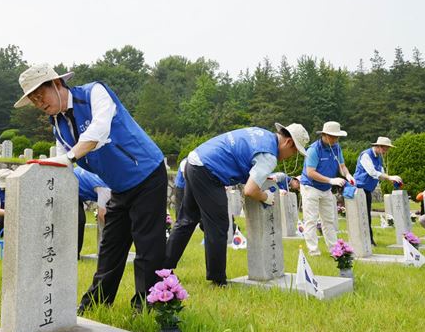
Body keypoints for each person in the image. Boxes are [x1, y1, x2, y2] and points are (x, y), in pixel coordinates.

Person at [13, 64, 167, 313]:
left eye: (41, 95)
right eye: (33, 100)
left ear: (57, 84)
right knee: (110, 248)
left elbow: (99, 130)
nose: (39, 103)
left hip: (146, 174)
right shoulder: (58, 125)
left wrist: (70, 157)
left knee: (148, 247)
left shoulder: (94, 92)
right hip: (117, 186)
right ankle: (95, 304)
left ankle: (150, 308)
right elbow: (62, 164)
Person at [165, 123, 309, 286]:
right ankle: (217, 280)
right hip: (209, 171)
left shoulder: (262, 134)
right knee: (218, 225)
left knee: (186, 221)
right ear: (288, 143)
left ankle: (163, 271)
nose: (291, 155)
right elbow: (250, 190)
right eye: (294, 151)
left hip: (195, 161)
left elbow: (241, 158)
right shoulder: (269, 156)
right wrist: (265, 197)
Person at [299, 121, 354, 256]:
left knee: (329, 220)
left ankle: (334, 250)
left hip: (326, 189)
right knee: (311, 219)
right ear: (324, 135)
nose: (335, 139)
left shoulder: (337, 147)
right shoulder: (314, 149)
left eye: (337, 137)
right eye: (332, 136)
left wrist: (347, 175)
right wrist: (331, 180)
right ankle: (313, 251)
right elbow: (311, 172)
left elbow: (342, 165)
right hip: (310, 187)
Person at [354, 136, 402, 246]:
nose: (386, 151)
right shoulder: (366, 155)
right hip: (359, 188)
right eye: (385, 148)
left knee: (367, 215)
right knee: (363, 215)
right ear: (378, 146)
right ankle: (366, 241)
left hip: (368, 189)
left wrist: (390, 179)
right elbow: (372, 172)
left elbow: (381, 173)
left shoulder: (379, 157)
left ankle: (368, 240)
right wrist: (389, 177)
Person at [73, 166, 111, 259]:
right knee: (79, 220)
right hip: (68, 186)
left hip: (78, 190)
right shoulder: (105, 187)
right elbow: (102, 215)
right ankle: (73, 257)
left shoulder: (110, 180)